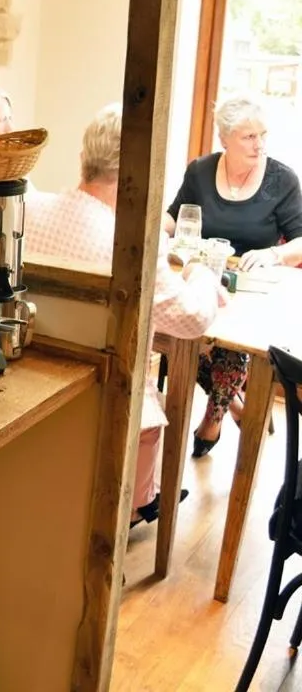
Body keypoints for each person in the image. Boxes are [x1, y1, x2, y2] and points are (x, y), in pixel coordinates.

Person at [25, 103, 225, 526]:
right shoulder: (131, 248)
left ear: (84, 159)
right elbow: (191, 319)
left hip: (34, 376)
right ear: (141, 173)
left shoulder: (31, 211)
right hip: (105, 393)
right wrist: (203, 273)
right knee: (148, 401)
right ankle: (137, 504)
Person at [164, 94, 302, 457]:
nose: (260, 144)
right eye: (249, 137)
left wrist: (273, 253)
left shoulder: (281, 180)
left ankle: (213, 416)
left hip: (253, 290)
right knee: (179, 330)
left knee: (230, 347)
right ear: (225, 139)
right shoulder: (200, 171)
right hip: (202, 279)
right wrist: (147, 228)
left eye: (262, 135)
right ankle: (234, 407)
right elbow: (175, 218)